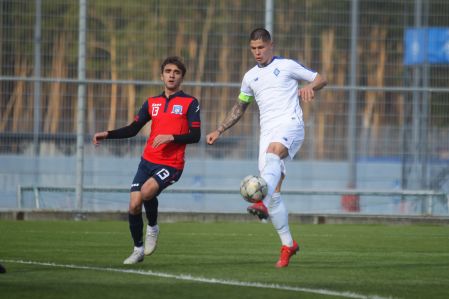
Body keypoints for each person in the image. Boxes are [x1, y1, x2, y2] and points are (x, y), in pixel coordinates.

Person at [206, 28, 327, 268]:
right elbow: (240, 107)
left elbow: (321, 78)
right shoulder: (250, 77)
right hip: (267, 134)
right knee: (275, 193)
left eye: (261, 47)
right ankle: (288, 245)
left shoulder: (287, 65)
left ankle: (260, 202)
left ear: (270, 45)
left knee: (273, 158)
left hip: (291, 126)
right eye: (253, 49)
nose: (257, 52)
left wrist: (310, 87)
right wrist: (220, 129)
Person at [93, 56, 201, 264]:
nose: (172, 75)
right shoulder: (152, 103)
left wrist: (172, 137)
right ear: (161, 76)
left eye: (176, 72)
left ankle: (152, 226)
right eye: (168, 71)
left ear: (181, 77)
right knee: (134, 205)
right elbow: (133, 129)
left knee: (146, 192)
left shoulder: (190, 103)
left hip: (172, 164)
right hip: (147, 161)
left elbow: (195, 136)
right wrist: (107, 134)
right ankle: (138, 249)